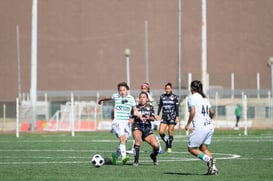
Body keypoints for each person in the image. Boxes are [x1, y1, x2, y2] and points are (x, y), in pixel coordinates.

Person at [98, 82, 141, 165]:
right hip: (117, 121)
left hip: (127, 123)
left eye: (124, 90)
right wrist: (101, 100)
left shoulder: (131, 99)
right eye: (120, 90)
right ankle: (124, 157)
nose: (122, 92)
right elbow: (108, 98)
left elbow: (135, 109)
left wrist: (136, 116)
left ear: (127, 90)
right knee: (123, 138)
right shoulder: (116, 96)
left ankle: (115, 155)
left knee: (124, 140)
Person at [185, 80, 218, 175]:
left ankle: (209, 160)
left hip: (200, 127)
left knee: (191, 149)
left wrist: (188, 124)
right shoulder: (205, 98)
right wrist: (208, 119)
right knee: (203, 148)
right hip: (209, 126)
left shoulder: (191, 98)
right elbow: (212, 112)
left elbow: (192, 111)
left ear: (191, 88)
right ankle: (213, 169)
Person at [131, 92, 160, 166]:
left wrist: (150, 118)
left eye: (144, 97)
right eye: (140, 97)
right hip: (137, 127)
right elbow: (131, 117)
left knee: (156, 146)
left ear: (147, 99)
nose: (142, 99)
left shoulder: (150, 107)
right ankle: (136, 161)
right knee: (138, 139)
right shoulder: (135, 107)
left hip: (147, 129)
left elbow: (153, 118)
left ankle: (153, 156)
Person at [155, 82, 179, 153]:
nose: (167, 90)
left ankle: (169, 147)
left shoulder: (174, 97)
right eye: (166, 89)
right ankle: (167, 141)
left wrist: (177, 117)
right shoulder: (162, 97)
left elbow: (177, 107)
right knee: (161, 132)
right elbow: (160, 106)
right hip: (164, 117)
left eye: (169, 88)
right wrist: (157, 114)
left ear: (171, 89)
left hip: (172, 116)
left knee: (170, 131)